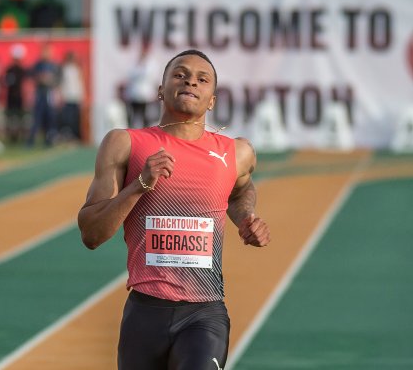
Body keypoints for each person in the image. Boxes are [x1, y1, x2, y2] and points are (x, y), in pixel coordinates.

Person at [77, 49, 271, 369]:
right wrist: (140, 184)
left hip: (204, 313)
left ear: (212, 100)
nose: (190, 81)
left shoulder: (236, 152)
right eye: (180, 74)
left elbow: (240, 190)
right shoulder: (125, 144)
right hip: (144, 313)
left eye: (202, 78)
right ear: (160, 90)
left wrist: (246, 217)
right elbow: (91, 234)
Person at [27, 44, 58, 147]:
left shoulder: (53, 65)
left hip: (49, 94)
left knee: (50, 118)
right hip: (40, 94)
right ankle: (31, 140)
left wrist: (49, 80)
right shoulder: (38, 65)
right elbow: (33, 76)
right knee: (37, 118)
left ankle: (49, 139)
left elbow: (57, 80)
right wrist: (41, 78)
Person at [57, 51, 84, 142]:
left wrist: (81, 97)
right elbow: (62, 83)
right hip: (67, 97)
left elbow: (79, 84)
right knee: (67, 118)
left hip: (75, 97)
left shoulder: (77, 69)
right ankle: (67, 136)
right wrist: (61, 96)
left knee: (75, 119)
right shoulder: (64, 69)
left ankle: (75, 136)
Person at [2, 45, 27, 143]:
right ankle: (11, 137)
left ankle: (19, 136)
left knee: (19, 117)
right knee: (11, 118)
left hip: (19, 97)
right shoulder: (10, 70)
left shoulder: (22, 70)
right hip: (11, 97)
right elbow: (5, 82)